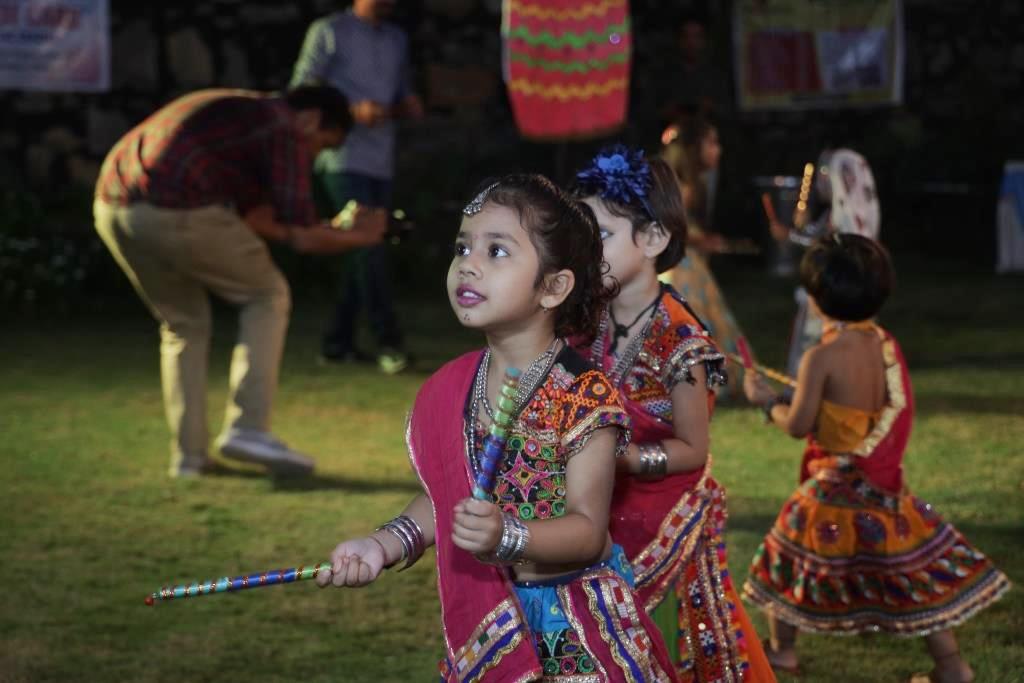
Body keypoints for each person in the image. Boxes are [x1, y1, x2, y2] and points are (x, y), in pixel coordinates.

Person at [317, 174, 678, 681]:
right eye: (462, 248)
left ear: (553, 287)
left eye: (497, 251)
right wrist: (382, 545)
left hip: (574, 633)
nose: (469, 264)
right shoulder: (455, 386)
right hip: (493, 627)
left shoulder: (583, 395)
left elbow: (587, 532)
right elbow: (451, 500)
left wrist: (508, 534)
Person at [742, 235, 1010, 681]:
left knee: (786, 557)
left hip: (834, 488)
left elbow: (799, 425)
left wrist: (766, 401)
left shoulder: (820, 356)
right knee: (906, 571)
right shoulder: (884, 344)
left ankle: (783, 650)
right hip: (879, 486)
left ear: (818, 299)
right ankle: (952, 666)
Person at [93, 86, 387, 478]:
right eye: (322, 145)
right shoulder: (283, 126)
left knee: (183, 326)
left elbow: (259, 220)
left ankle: (190, 459)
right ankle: (248, 427)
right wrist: (363, 237)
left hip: (112, 208)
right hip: (174, 205)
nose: (315, 158)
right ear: (312, 118)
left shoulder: (243, 118)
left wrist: (334, 230)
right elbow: (302, 237)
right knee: (268, 294)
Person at [571, 145, 775, 681]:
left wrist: (624, 459)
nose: (585, 250)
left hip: (659, 519)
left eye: (601, 235)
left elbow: (693, 450)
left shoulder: (683, 343)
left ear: (655, 239)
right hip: (593, 508)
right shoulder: (585, 322)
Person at [291, 0, 423, 374]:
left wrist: (408, 103)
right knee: (368, 247)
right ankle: (388, 341)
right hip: (341, 156)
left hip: (381, 159)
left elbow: (401, 90)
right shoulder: (329, 31)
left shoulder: (396, 38)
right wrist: (350, 111)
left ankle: (338, 343)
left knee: (362, 250)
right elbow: (301, 90)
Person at [767, 148, 881, 376]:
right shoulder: (855, 214)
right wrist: (802, 226)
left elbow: (823, 244)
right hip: (854, 299)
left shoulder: (843, 217)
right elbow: (818, 235)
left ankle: (814, 386)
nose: (821, 182)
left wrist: (788, 235)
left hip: (831, 295)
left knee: (817, 348)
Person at [661, 118, 749, 393]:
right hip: (681, 269)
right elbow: (670, 226)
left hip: (687, 263)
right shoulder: (682, 186)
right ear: (694, 147)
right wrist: (700, 239)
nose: (717, 150)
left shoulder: (688, 182)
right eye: (711, 143)